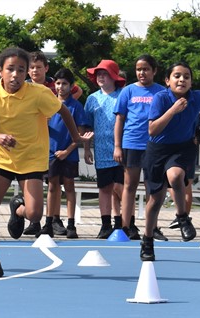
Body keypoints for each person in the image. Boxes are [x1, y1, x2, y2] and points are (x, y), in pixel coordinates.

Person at [0, 47, 93, 278]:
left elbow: (64, 111)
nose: (16, 74)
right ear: (1, 71)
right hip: (2, 158)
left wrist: (76, 137)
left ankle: (17, 209)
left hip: (32, 159)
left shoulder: (38, 93)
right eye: (10, 69)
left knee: (35, 214)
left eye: (21, 70)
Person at [140, 62, 200, 261]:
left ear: (191, 82)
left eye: (186, 76)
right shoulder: (161, 98)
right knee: (155, 200)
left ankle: (182, 217)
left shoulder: (197, 96)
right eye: (177, 76)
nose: (182, 79)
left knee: (175, 176)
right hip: (157, 150)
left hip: (183, 147)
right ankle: (147, 240)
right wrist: (173, 110)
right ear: (167, 81)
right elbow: (152, 130)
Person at [23, 50, 83, 236]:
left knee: (57, 185)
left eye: (38, 67)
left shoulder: (50, 91)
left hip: (54, 147)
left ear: (45, 69)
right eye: (31, 67)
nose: (34, 70)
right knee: (33, 182)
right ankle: (35, 219)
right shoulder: (23, 87)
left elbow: (76, 92)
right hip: (31, 143)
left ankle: (55, 220)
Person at [113, 54, 167, 240]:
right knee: (129, 185)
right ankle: (126, 226)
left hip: (155, 145)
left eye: (145, 69)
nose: (142, 73)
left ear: (154, 71)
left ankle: (152, 228)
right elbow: (119, 119)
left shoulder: (161, 92)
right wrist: (117, 146)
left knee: (153, 187)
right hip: (132, 143)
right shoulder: (128, 91)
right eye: (138, 69)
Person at [41, 68, 86, 239]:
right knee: (52, 187)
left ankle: (71, 224)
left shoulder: (76, 106)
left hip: (70, 154)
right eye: (58, 83)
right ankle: (48, 222)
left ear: (72, 86)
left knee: (69, 188)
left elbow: (80, 134)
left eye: (65, 83)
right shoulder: (49, 104)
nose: (61, 87)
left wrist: (67, 151)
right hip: (51, 153)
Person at [83, 60, 125, 239]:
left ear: (114, 76)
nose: (100, 76)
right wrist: (86, 148)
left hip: (122, 149)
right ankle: (106, 224)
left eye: (105, 73)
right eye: (98, 73)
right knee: (104, 188)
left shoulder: (123, 95)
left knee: (121, 187)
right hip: (100, 149)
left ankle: (125, 222)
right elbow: (86, 126)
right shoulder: (92, 98)